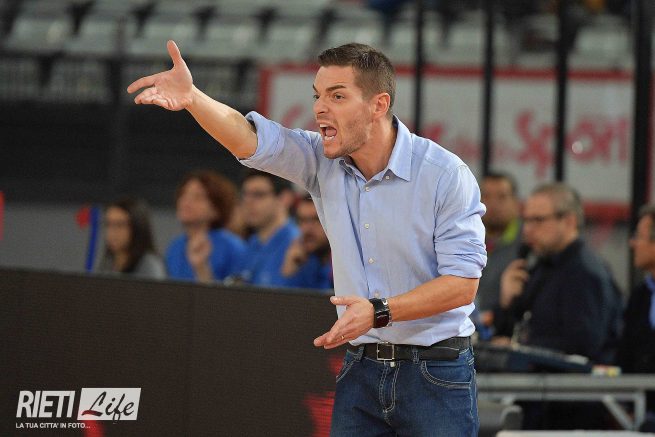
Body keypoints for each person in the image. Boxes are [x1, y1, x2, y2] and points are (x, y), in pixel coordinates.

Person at [128, 41, 486, 436]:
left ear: (378, 105)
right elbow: (248, 137)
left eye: (337, 96)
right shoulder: (320, 159)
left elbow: (462, 285)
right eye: (317, 95)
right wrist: (193, 99)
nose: (320, 108)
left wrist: (379, 311)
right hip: (361, 367)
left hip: (437, 371)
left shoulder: (444, 175)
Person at [498, 182, 622, 429]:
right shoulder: (542, 265)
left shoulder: (585, 272)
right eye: (526, 220)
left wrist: (521, 348)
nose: (528, 230)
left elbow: (584, 342)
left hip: (573, 407)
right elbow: (515, 326)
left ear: (569, 221)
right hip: (540, 399)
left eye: (538, 220)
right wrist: (506, 301)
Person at [165, 170, 246, 283]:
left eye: (198, 197)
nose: (186, 202)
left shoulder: (232, 247)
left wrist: (201, 268)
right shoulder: (175, 246)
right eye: (183, 194)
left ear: (217, 208)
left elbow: (238, 290)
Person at [617, 204, 655, 432]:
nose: (632, 244)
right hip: (642, 415)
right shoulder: (639, 296)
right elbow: (626, 354)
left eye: (639, 237)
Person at [476, 172, 522, 337]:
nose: (493, 204)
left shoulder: (529, 243)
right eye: (486, 196)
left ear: (516, 202)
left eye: (502, 197)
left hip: (508, 335)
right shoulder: (464, 238)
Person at [235, 169, 299, 286]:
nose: (248, 202)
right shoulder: (253, 242)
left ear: (284, 199)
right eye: (245, 195)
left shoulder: (298, 244)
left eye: (258, 195)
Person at [97, 197, 166, 279]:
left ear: (137, 228)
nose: (112, 232)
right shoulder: (108, 263)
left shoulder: (150, 265)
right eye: (108, 224)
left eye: (120, 225)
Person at [281, 194, 333, 291]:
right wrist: (289, 273)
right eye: (303, 220)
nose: (307, 228)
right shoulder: (301, 258)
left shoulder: (344, 262)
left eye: (316, 219)